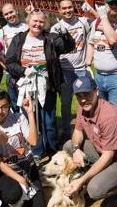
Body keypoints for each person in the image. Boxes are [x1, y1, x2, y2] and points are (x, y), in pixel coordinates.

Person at [5, 9, 74, 160]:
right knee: (31, 121)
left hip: (47, 87)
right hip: (26, 88)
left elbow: (69, 47)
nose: (38, 24)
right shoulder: (18, 39)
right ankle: (37, 152)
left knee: (48, 121)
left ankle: (53, 151)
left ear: (45, 23)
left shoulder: (50, 38)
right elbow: (9, 62)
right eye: (35, 21)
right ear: (28, 21)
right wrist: (24, 70)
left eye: (41, 21)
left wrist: (65, 33)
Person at [63, 75, 117, 201]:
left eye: (86, 94)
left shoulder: (109, 116)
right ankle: (98, 173)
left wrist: (82, 180)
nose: (82, 100)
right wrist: (76, 150)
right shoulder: (83, 108)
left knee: (94, 190)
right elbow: (77, 131)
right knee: (69, 146)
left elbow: (108, 156)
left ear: (96, 91)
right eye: (79, 96)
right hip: (103, 151)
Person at [0, 90, 46, 207]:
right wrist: (20, 179)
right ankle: (3, 193)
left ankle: (24, 195)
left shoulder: (18, 118)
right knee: (12, 195)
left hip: (27, 166)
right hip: (6, 170)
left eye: (4, 107)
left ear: (9, 108)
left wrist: (30, 113)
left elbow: (33, 141)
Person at [52, 0, 92, 144]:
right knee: (65, 103)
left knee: (86, 101)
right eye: (64, 8)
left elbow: (101, 22)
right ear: (59, 10)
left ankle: (88, 130)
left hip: (81, 69)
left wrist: (91, 10)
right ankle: (66, 131)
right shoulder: (55, 28)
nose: (68, 10)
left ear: (73, 7)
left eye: (70, 7)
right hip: (64, 70)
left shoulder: (83, 22)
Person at [86, 0, 117, 113]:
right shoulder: (96, 23)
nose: (113, 6)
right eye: (110, 3)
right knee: (101, 113)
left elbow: (113, 39)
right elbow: (91, 43)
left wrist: (103, 17)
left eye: (116, 3)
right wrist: (87, 64)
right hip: (99, 76)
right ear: (105, 4)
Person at [0, 3, 28, 111]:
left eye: (11, 12)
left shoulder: (27, 27)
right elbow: (0, 53)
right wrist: (8, 68)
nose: (9, 15)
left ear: (16, 11)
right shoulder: (1, 32)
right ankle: (18, 126)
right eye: (6, 14)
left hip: (25, 72)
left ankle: (30, 126)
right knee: (14, 103)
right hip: (10, 74)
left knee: (27, 102)